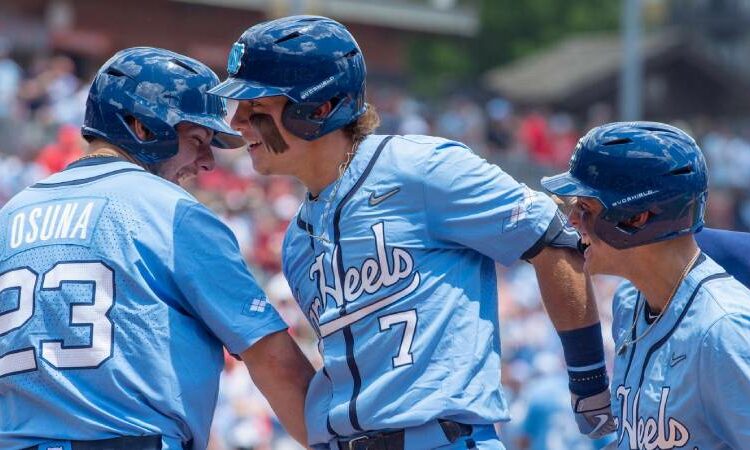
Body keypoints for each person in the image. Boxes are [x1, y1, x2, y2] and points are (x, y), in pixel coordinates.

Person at [209, 15, 614, 449]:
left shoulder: (419, 168)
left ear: (318, 108)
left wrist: (588, 379)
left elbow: (552, 237)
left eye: (257, 108)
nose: (238, 122)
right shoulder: (295, 242)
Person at [0, 47, 314, 450]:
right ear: (142, 128)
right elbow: (272, 359)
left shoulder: (12, 214)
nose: (206, 162)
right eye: (197, 140)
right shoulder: (170, 211)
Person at [542, 121, 750, 449]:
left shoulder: (724, 330)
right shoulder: (628, 301)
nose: (572, 220)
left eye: (585, 208)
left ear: (637, 217)